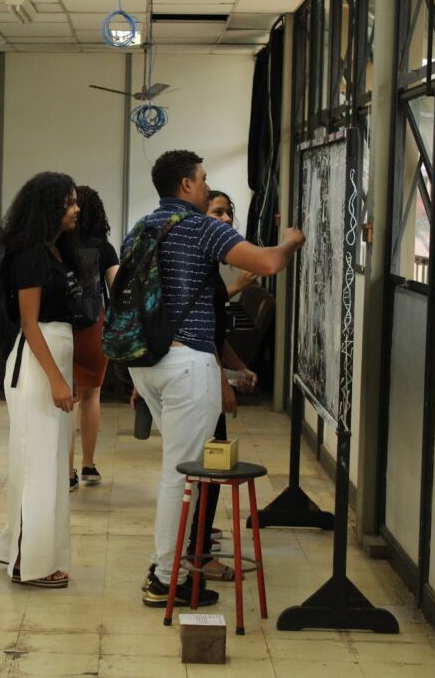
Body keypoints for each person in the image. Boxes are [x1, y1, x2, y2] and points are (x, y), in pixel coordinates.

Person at [126, 150, 305, 608]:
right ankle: (165, 578)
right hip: (186, 362)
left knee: (176, 466)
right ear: (186, 185)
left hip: (144, 362)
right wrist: (290, 241)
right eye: (203, 179)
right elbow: (267, 263)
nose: (207, 188)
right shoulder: (200, 226)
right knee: (181, 473)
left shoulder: (141, 227)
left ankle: (167, 568)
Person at [0, 171, 84, 588]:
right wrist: (55, 379)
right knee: (38, 466)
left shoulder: (55, 249)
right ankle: (28, 564)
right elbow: (30, 324)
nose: (76, 209)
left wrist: (66, 376)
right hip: (36, 364)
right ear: (49, 207)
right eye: (69, 202)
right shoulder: (30, 253)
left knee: (44, 463)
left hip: (51, 361)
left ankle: (17, 548)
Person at [184, 190, 259, 582]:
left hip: (206, 375)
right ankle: (196, 554)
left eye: (229, 212)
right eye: (217, 212)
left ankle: (197, 540)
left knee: (210, 468)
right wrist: (222, 385)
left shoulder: (211, 268)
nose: (227, 219)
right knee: (206, 470)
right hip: (197, 381)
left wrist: (239, 367)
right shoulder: (197, 266)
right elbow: (199, 338)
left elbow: (216, 334)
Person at [68, 186, 119, 492]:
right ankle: (89, 464)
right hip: (93, 327)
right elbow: (118, 289)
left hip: (63, 329)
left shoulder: (60, 244)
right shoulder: (104, 248)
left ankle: (67, 472)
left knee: (69, 399)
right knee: (91, 395)